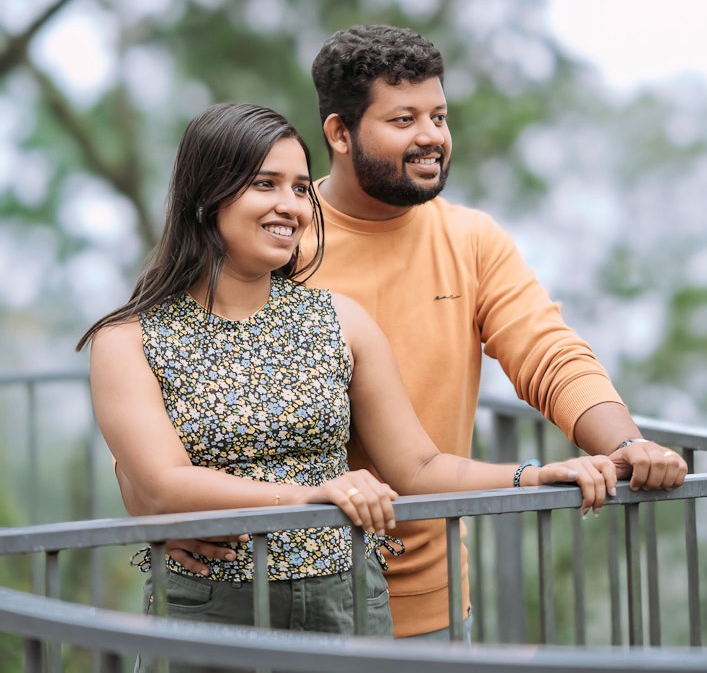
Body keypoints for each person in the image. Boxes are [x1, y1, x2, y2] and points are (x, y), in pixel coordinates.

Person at [160, 26, 688, 644]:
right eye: (404, 118)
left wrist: (625, 444)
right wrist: (157, 506)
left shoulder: (471, 239)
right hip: (278, 588)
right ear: (340, 133)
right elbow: (169, 368)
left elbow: (549, 351)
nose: (432, 136)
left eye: (439, 115)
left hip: (431, 595)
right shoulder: (276, 237)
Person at [79, 100, 618, 669]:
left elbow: (418, 467)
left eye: (298, 187)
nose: (290, 205)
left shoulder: (340, 318)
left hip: (346, 600)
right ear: (206, 195)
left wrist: (530, 476)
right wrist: (310, 498)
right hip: (210, 607)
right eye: (265, 184)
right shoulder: (128, 338)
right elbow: (163, 483)